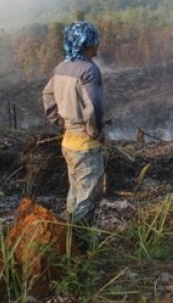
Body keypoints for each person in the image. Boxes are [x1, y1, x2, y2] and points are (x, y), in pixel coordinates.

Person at [42, 21, 105, 239]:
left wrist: (59, 122)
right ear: (87, 43)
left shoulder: (61, 68)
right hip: (85, 144)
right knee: (88, 195)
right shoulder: (89, 71)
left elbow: (47, 96)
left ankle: (69, 239)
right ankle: (80, 244)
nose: (98, 44)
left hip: (68, 141)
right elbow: (94, 106)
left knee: (75, 192)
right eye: (95, 40)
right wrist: (95, 132)